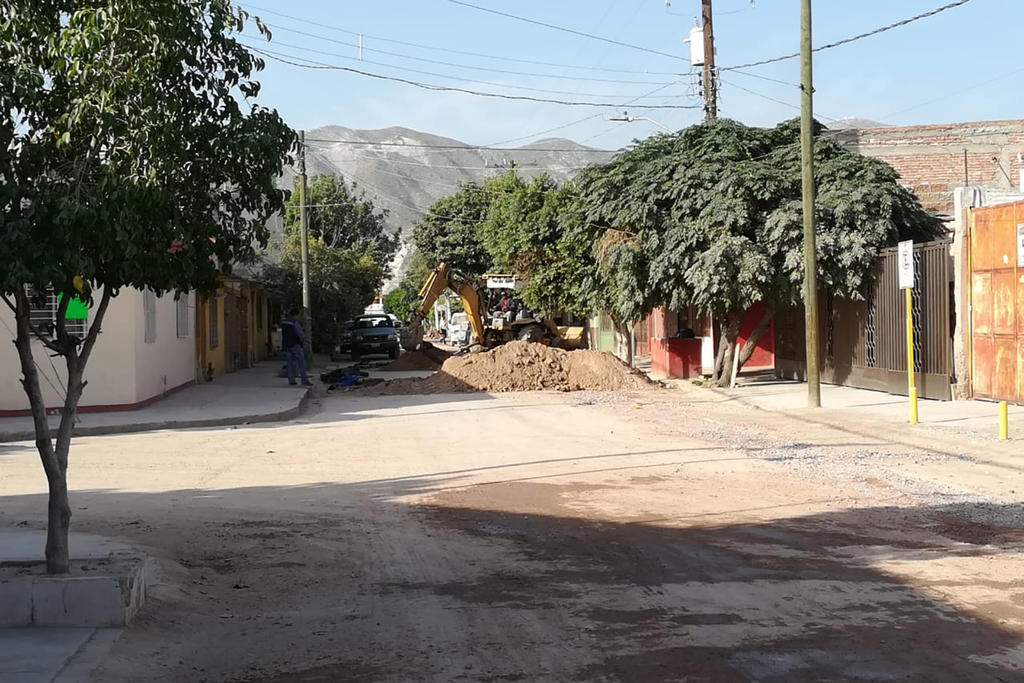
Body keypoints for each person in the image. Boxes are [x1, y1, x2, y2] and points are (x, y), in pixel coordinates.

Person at [281, 309, 312, 387]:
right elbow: (300, 334)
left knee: (290, 363)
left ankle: (291, 380)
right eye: (297, 316)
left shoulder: (284, 322)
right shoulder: (295, 323)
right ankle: (304, 380)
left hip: (287, 344)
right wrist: (303, 341)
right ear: (295, 315)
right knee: (301, 362)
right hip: (295, 344)